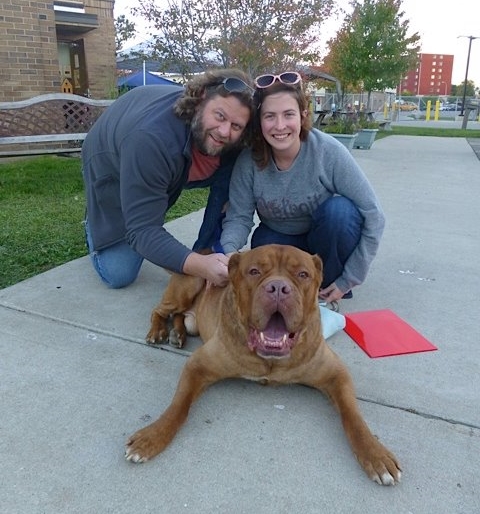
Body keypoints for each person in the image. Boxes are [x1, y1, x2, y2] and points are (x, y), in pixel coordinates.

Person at [220, 72, 385, 304]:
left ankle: (328, 288)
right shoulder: (249, 162)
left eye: (288, 115)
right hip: (279, 238)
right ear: (259, 121)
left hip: (325, 238)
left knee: (340, 212)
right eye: (270, 116)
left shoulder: (328, 152)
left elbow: (374, 215)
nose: (279, 126)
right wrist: (229, 252)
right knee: (261, 247)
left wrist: (349, 279)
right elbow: (239, 216)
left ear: (303, 116)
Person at [81, 68, 254, 289]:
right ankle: (96, 219)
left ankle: (205, 246)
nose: (224, 131)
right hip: (109, 160)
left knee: (229, 167)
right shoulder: (152, 141)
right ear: (201, 98)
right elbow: (143, 231)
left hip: (154, 148)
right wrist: (200, 266)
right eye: (219, 116)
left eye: (236, 126)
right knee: (119, 272)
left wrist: (204, 256)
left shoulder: (234, 138)